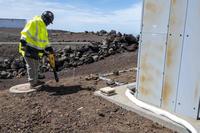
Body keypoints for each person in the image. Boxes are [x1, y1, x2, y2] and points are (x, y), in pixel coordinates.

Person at [19, 11, 54, 88]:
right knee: (31, 66)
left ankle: (35, 80)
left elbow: (45, 40)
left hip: (36, 51)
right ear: (45, 18)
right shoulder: (34, 22)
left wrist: (49, 47)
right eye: (48, 21)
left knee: (36, 66)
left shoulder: (44, 28)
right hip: (28, 48)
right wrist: (23, 42)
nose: (48, 24)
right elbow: (25, 32)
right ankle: (33, 83)